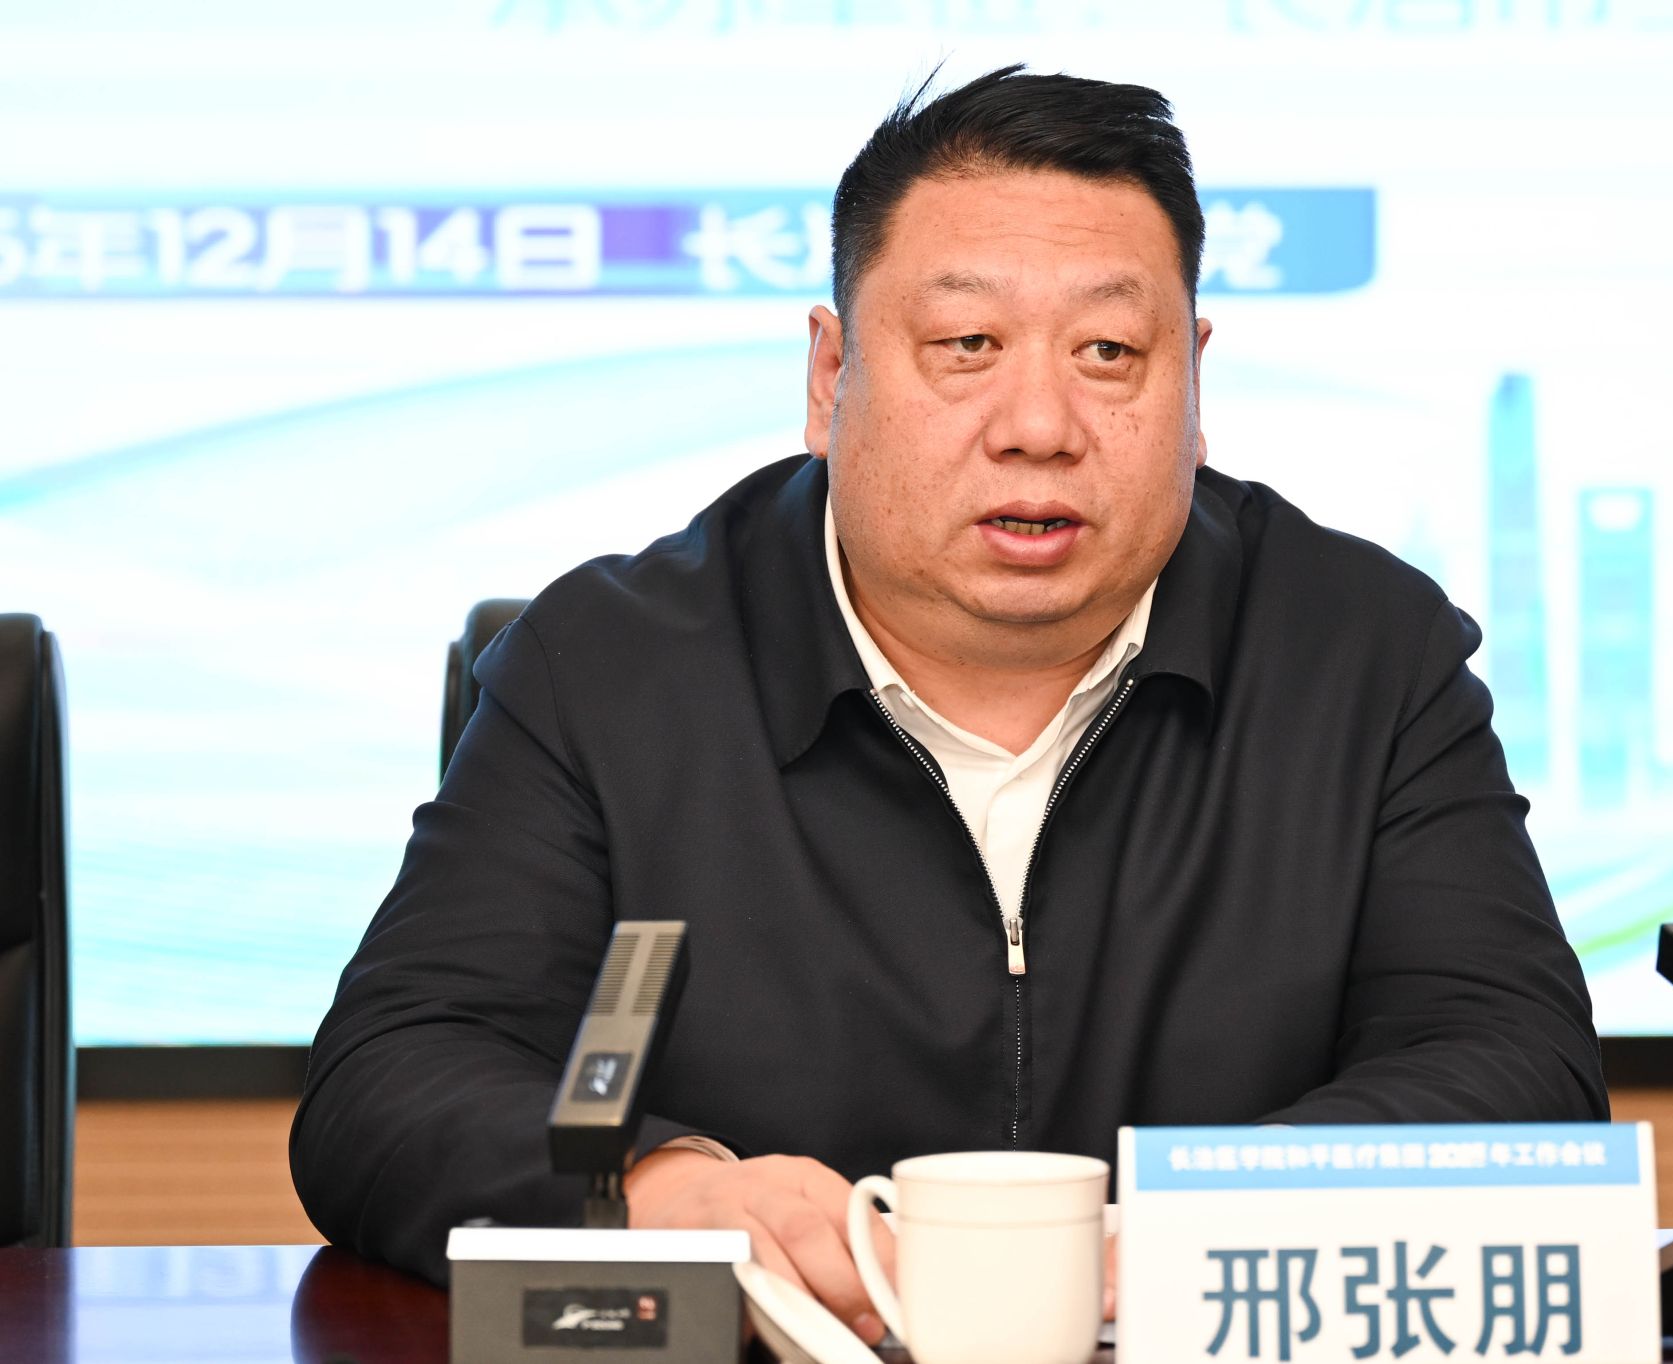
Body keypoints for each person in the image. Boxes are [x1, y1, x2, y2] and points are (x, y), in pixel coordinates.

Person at [290, 65, 1606, 1346]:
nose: (1038, 424)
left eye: (1108, 352)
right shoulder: (609, 669)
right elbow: (393, 1078)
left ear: (1194, 384)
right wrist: (658, 1188)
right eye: (967, 346)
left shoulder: (1364, 656)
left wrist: (1216, 1227)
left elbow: (1516, 1065)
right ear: (831, 376)